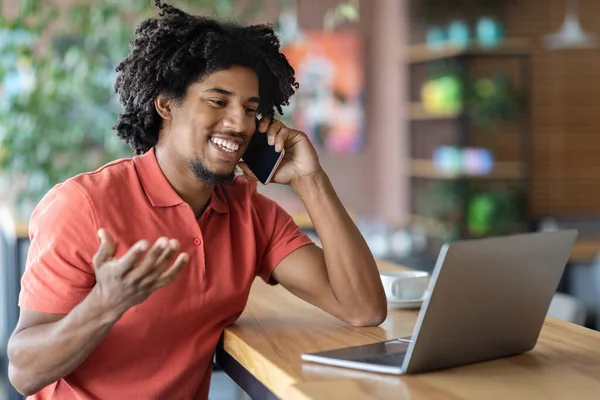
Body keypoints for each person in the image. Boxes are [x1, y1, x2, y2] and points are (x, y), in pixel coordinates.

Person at [6, 1, 387, 399]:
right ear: (166, 104)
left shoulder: (250, 213)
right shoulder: (81, 205)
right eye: (218, 101)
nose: (239, 123)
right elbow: (23, 371)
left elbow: (363, 309)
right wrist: (104, 304)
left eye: (250, 109)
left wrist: (311, 180)